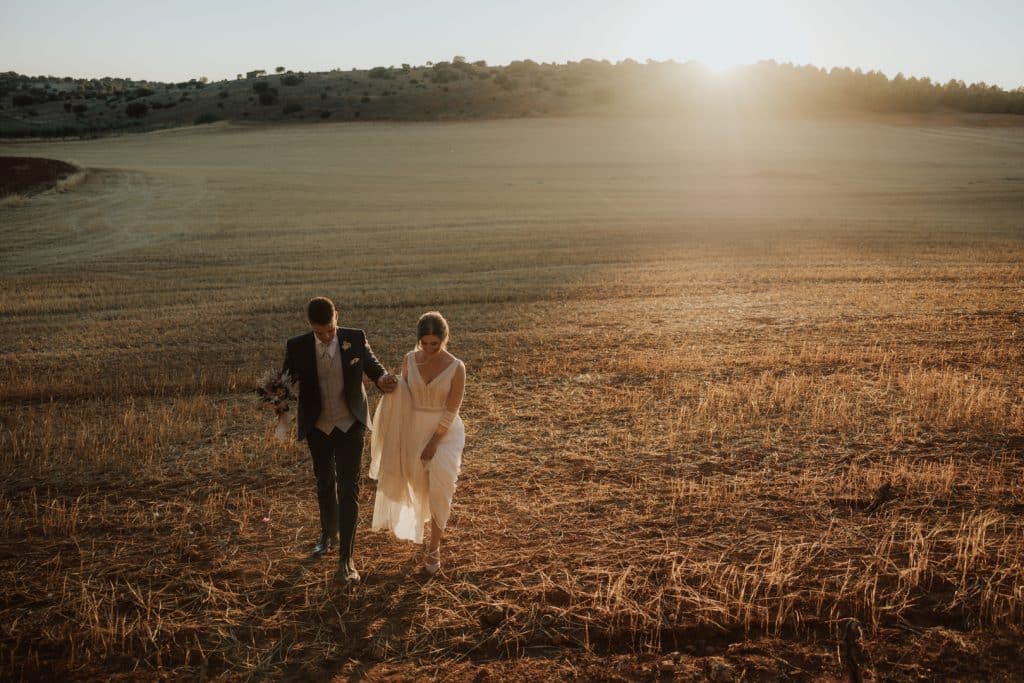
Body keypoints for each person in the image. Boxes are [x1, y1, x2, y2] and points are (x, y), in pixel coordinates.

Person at [279, 296, 398, 582]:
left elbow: (373, 366)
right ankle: (327, 534)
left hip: (350, 423)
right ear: (310, 326)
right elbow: (286, 381)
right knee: (324, 483)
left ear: (337, 318)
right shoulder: (296, 346)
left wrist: (382, 379)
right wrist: (276, 397)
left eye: (330, 329)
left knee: (349, 487)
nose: (327, 336)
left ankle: (347, 559)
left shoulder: (355, 338)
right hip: (317, 425)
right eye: (320, 332)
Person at [369, 311, 465, 575]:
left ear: (445, 339)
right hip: (414, 428)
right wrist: (391, 383)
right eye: (425, 343)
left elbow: (452, 408)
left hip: (445, 433)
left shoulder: (457, 367)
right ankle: (425, 529)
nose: (430, 349)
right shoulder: (409, 360)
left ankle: (434, 549)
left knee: (440, 485)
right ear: (419, 341)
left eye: (435, 343)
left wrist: (434, 442)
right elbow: (404, 394)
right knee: (419, 485)